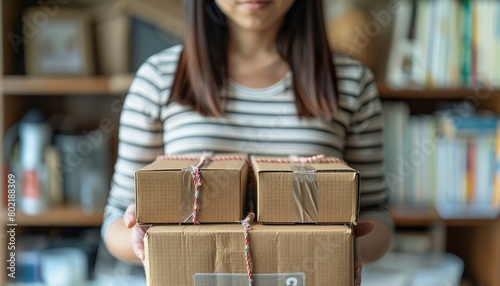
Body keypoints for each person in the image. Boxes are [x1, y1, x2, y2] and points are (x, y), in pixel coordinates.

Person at [102, 1, 394, 285]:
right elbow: (116, 218)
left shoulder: (351, 81)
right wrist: (143, 238)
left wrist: (344, 247)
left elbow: (376, 214)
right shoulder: (158, 78)